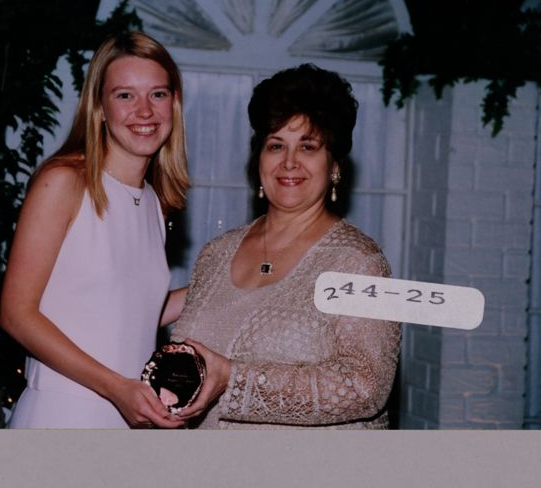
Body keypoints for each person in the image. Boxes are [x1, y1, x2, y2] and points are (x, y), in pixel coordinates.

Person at [168, 64, 401, 429]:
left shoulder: (359, 263)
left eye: (308, 146)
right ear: (258, 158)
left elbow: (365, 385)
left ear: (334, 165)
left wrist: (235, 378)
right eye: (276, 145)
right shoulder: (216, 254)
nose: (289, 162)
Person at [0, 31, 190, 429]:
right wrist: (116, 387)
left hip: (126, 418)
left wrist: (242, 279)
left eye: (157, 94)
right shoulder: (63, 182)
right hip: (63, 414)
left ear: (174, 104)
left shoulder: (153, 201)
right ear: (100, 107)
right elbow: (16, 314)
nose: (144, 110)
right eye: (125, 96)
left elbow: (133, 314)